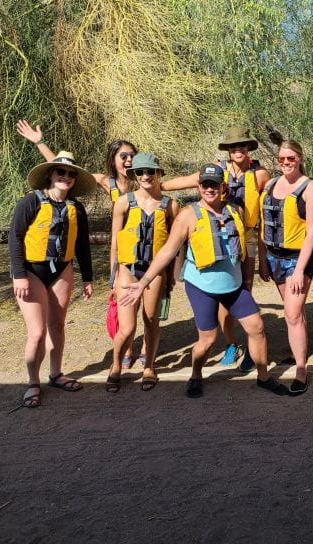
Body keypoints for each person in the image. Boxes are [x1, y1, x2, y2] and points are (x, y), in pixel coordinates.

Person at [119, 163, 289, 397]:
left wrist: (251, 276)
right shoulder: (188, 215)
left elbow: (243, 250)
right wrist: (143, 282)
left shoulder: (235, 211)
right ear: (199, 187)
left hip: (234, 286)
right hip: (202, 287)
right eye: (205, 184)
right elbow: (168, 251)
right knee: (208, 340)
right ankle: (196, 374)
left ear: (223, 187)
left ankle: (264, 376)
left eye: (215, 185)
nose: (210, 189)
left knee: (257, 327)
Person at [16, 120, 144, 368]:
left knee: (150, 304)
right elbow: (65, 170)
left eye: (132, 155)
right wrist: (40, 143)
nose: (128, 160)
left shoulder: (146, 179)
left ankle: (147, 351)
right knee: (124, 300)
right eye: (123, 155)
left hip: (147, 245)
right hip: (125, 247)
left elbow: (176, 184)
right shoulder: (108, 182)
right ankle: (127, 349)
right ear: (114, 158)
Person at [161, 126, 270, 371]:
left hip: (245, 236)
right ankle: (231, 343)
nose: (237, 150)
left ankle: (251, 349)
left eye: (242, 145)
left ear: (249, 148)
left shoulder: (259, 174)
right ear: (228, 150)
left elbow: (270, 203)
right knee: (222, 298)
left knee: (242, 290)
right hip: (213, 233)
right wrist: (157, 187)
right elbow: (185, 181)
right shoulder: (216, 170)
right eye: (233, 146)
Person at [9, 151, 96, 408]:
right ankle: (32, 382)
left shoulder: (76, 208)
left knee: (57, 325)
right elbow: (15, 238)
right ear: (50, 175)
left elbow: (82, 246)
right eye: (61, 172)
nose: (65, 177)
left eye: (71, 174)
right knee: (37, 331)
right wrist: (19, 276)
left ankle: (56, 373)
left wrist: (87, 278)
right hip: (31, 271)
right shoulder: (30, 202)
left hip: (62, 269)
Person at [107, 153, 179, 393]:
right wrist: (113, 275)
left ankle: (149, 366)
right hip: (128, 271)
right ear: (134, 176)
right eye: (140, 172)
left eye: (151, 171)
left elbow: (176, 243)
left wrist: (172, 274)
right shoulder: (124, 202)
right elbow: (115, 243)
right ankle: (115, 365)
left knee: (151, 321)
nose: (146, 176)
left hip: (155, 272)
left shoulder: (170, 205)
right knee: (126, 328)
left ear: (159, 173)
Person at [257, 140, 313, 394]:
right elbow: (263, 225)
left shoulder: (309, 187)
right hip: (274, 256)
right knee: (295, 313)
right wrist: (262, 259)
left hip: (297, 259)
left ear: (300, 158)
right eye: (281, 158)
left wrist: (298, 270)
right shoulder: (271, 185)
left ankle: (301, 370)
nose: (285, 163)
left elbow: (312, 232)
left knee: (292, 314)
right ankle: (300, 353)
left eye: (291, 158)